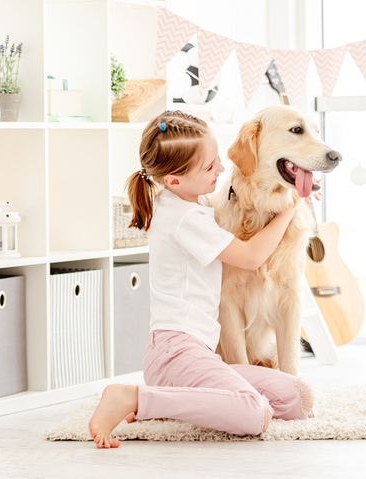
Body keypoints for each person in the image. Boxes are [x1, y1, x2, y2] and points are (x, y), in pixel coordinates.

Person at [88, 111, 314, 449]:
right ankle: (135, 398)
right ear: (175, 181)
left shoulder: (188, 201)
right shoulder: (186, 219)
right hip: (174, 353)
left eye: (218, 161)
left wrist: (289, 182)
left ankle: (173, 398)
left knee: (297, 396)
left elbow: (232, 196)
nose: (221, 170)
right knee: (255, 414)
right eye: (209, 168)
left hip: (196, 352)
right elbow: (252, 257)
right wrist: (291, 206)